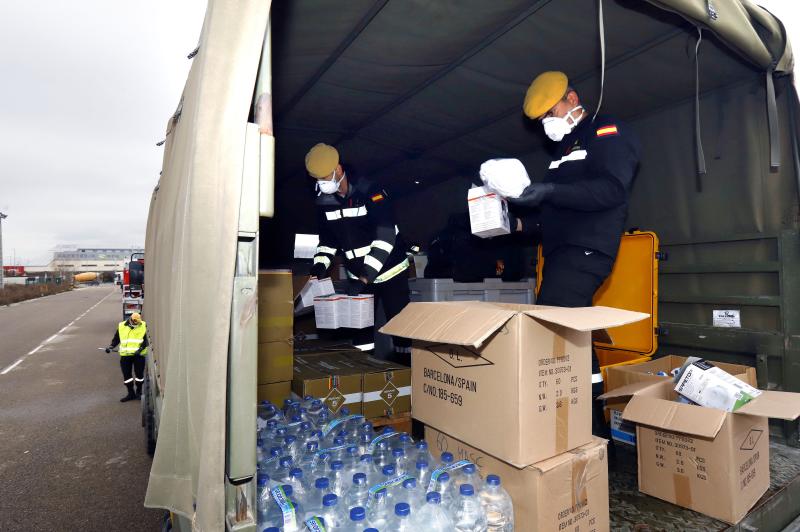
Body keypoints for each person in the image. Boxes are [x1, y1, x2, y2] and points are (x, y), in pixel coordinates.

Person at [509, 71, 641, 436]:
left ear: (572, 98)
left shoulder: (607, 132)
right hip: (562, 254)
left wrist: (549, 191)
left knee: (553, 333)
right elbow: (555, 213)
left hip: (587, 250)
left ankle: (581, 434)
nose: (547, 124)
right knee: (571, 340)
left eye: (550, 113)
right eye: (541, 121)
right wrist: (516, 225)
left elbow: (611, 190)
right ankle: (592, 435)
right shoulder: (563, 151)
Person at [305, 143, 412, 365]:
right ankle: (364, 374)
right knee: (360, 331)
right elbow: (327, 242)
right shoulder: (324, 203)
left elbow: (385, 239)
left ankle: (407, 371)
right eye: (317, 180)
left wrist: (365, 277)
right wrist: (319, 266)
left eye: (325, 177)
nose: (322, 184)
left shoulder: (371, 193)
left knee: (400, 326)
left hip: (390, 270)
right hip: (359, 277)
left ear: (339, 170)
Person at [106, 312, 148, 402]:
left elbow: (146, 340)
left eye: (138, 322)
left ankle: (139, 392)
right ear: (130, 320)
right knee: (127, 376)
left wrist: (140, 349)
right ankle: (130, 393)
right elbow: (116, 338)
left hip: (138, 356)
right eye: (135, 322)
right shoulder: (121, 326)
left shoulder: (143, 326)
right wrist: (111, 347)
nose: (137, 324)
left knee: (139, 375)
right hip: (125, 356)